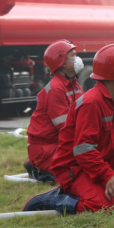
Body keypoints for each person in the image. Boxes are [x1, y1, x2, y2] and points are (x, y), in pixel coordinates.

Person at [23, 43, 114, 214]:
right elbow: (83, 150)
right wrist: (108, 175)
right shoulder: (92, 103)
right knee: (102, 207)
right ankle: (53, 198)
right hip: (75, 168)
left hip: (96, 159)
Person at [25, 40, 84, 183]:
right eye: (73, 56)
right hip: (45, 149)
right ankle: (37, 168)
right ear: (62, 62)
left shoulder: (74, 86)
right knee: (77, 174)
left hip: (59, 144)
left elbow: (85, 114)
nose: (77, 60)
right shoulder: (55, 89)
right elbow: (66, 128)